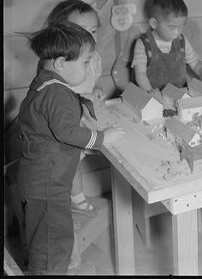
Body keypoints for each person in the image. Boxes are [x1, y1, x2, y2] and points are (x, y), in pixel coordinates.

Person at [15, 22, 124, 275]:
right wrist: (101, 137)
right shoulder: (56, 93)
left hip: (42, 179)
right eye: (86, 62)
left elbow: (55, 118)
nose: (89, 68)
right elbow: (67, 132)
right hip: (48, 184)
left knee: (44, 235)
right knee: (54, 242)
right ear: (61, 63)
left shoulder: (45, 82)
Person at [41, 0, 105, 217]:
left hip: (84, 115)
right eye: (81, 31)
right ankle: (75, 198)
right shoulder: (59, 62)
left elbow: (94, 81)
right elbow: (57, 95)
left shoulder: (93, 58)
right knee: (71, 161)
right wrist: (81, 97)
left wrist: (97, 91)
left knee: (79, 159)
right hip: (65, 122)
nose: (89, 37)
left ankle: (72, 195)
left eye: (93, 31)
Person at [132, 0, 202, 93]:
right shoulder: (143, 44)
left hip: (180, 94)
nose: (178, 32)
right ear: (154, 23)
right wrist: (149, 91)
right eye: (172, 28)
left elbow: (195, 63)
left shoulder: (182, 41)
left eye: (181, 26)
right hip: (154, 96)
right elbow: (140, 74)